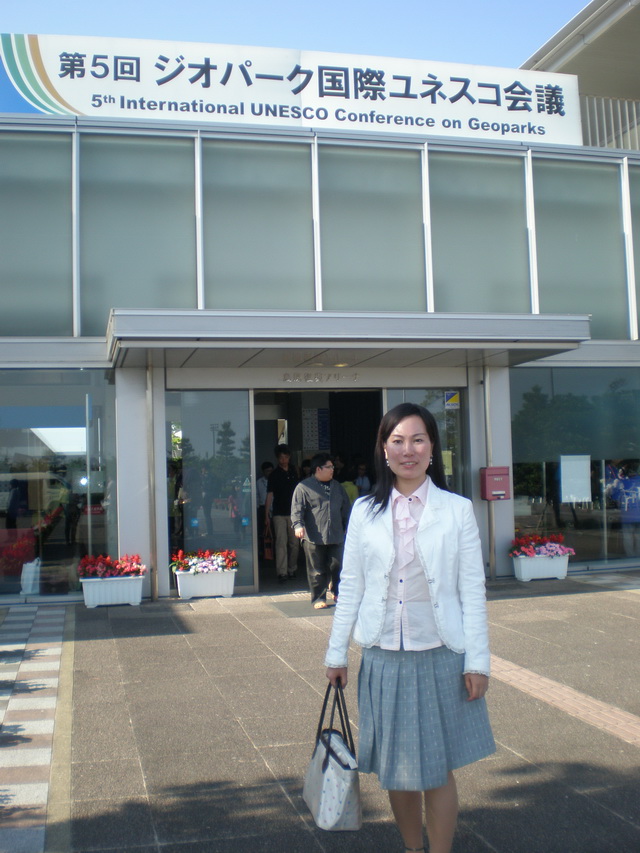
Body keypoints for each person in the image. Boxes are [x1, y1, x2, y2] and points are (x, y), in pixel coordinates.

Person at [324, 403, 495, 853]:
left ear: (432, 447)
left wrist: (478, 662)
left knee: (437, 767)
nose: (408, 450)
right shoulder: (364, 511)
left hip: (441, 653)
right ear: (384, 449)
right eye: (397, 441)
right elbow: (351, 585)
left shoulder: (457, 511)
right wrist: (336, 654)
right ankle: (411, 848)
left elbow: (472, 591)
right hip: (384, 657)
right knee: (398, 769)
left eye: (417, 440)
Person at [291, 453, 351, 609]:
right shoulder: (304, 487)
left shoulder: (337, 486)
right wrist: (298, 525)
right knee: (316, 570)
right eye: (329, 467)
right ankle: (319, 598)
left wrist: (348, 526)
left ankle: (338, 592)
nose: (332, 470)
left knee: (338, 565)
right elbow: (297, 509)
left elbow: (346, 508)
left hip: (336, 534)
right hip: (313, 535)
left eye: (333, 467)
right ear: (318, 469)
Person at [264, 444, 300, 583]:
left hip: (294, 512)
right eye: (281, 457)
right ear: (277, 458)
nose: (283, 460)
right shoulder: (274, 475)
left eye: (285, 457)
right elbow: (270, 495)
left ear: (289, 457)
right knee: (281, 543)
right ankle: (282, 572)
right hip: (278, 512)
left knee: (294, 543)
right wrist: (266, 514)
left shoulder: (294, 471)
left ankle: (292, 568)